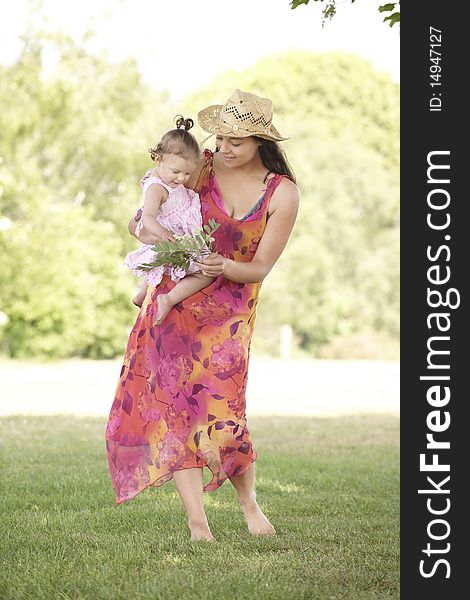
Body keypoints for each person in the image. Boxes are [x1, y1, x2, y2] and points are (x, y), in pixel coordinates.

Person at [106, 89, 300, 542]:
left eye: (236, 140)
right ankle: (198, 525)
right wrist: (142, 222)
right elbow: (154, 203)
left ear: (260, 141)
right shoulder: (202, 169)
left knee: (225, 414)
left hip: (229, 316)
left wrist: (224, 266)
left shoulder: (281, 193)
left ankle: (250, 505)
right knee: (176, 412)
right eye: (221, 137)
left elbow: (260, 268)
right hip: (176, 303)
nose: (224, 147)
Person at [124, 116, 215, 325]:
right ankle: (169, 299)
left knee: (190, 268)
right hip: (167, 236)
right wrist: (164, 234)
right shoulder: (157, 187)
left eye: (187, 173)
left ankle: (141, 294)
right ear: (158, 160)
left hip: (178, 235)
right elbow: (147, 217)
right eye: (176, 172)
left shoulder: (168, 178)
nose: (182, 179)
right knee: (205, 272)